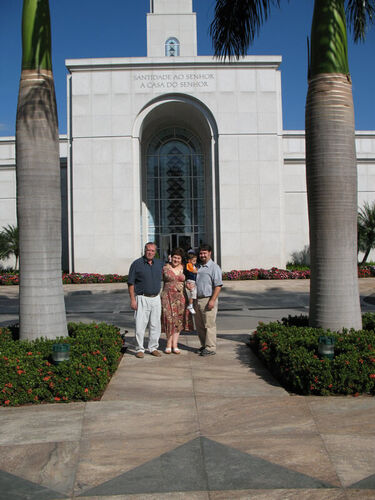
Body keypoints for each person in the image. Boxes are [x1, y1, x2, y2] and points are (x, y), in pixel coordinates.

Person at [127, 242, 164, 358]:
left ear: (155, 252)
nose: (150, 252)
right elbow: (131, 283)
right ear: (144, 250)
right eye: (148, 250)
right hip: (141, 298)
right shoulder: (136, 264)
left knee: (155, 325)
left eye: (153, 251)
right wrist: (133, 300)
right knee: (140, 325)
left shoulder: (159, 263)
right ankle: (140, 349)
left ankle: (153, 347)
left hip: (156, 298)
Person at [192, 244, 222, 356]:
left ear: (210, 253)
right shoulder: (198, 267)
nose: (202, 255)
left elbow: (218, 285)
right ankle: (204, 345)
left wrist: (212, 300)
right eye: (201, 253)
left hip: (208, 299)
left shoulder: (214, 267)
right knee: (199, 325)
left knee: (209, 325)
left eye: (204, 253)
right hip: (197, 299)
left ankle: (211, 347)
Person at [161, 247, 189, 354]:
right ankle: (168, 343)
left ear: (181, 259)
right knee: (169, 320)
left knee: (178, 321)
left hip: (180, 298)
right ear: (170, 257)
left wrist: (188, 285)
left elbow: (191, 280)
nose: (176, 260)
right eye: (174, 257)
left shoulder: (185, 268)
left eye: (178, 258)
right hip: (167, 297)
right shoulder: (165, 268)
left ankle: (175, 344)